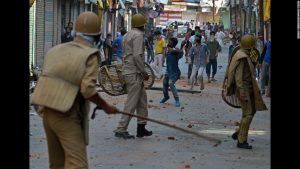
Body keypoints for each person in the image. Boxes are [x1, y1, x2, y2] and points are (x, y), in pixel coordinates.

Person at [31, 12, 119, 168]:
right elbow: (88, 89)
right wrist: (105, 106)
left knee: (57, 164)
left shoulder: (56, 50)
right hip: (65, 113)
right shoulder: (91, 55)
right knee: (78, 164)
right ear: (97, 36)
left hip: (45, 110)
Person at [224, 35, 267, 149]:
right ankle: (242, 140)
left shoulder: (244, 53)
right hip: (243, 88)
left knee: (252, 111)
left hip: (249, 87)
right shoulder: (242, 56)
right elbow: (238, 77)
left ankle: (239, 132)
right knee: (247, 114)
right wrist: (242, 91)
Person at [113, 14, 152, 139]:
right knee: (132, 103)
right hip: (134, 73)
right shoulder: (138, 35)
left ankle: (141, 127)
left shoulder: (127, 35)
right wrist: (143, 72)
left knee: (142, 101)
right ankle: (121, 128)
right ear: (142, 25)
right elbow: (137, 56)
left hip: (129, 71)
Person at [159, 37, 184, 107]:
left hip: (175, 73)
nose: (168, 43)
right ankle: (166, 97)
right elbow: (164, 54)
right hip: (168, 72)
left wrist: (174, 50)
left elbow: (181, 52)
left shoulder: (176, 52)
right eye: (169, 41)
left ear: (173, 43)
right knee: (165, 84)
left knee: (170, 83)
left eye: (170, 42)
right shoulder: (168, 51)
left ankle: (177, 100)